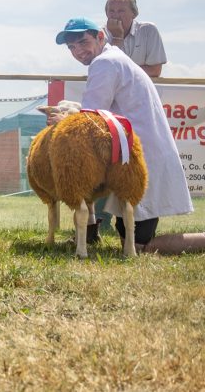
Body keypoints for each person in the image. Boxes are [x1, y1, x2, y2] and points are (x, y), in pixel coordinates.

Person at [53, 17, 205, 254]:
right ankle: (89, 233)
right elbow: (100, 113)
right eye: (72, 47)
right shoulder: (114, 60)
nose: (78, 51)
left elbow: (90, 119)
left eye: (83, 42)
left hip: (141, 162)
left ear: (100, 37)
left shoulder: (105, 63)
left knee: (138, 246)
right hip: (135, 159)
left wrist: (64, 121)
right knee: (126, 231)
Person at [103, 0, 166, 78]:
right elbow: (105, 69)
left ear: (134, 13)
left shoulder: (148, 30)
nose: (116, 15)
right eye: (111, 11)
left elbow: (154, 71)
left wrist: (119, 71)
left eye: (121, 11)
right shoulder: (100, 34)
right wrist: (116, 38)